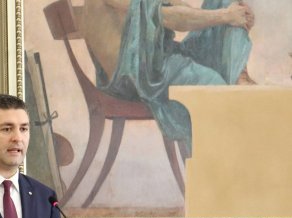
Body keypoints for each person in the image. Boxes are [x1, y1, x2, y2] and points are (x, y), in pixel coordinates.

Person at [82, 0, 255, 156]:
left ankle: (238, 74)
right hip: (135, 77)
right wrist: (225, 16)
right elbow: (171, 18)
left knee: (223, 1)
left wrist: (236, 15)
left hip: (156, 60)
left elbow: (179, 8)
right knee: (212, 86)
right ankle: (216, 168)